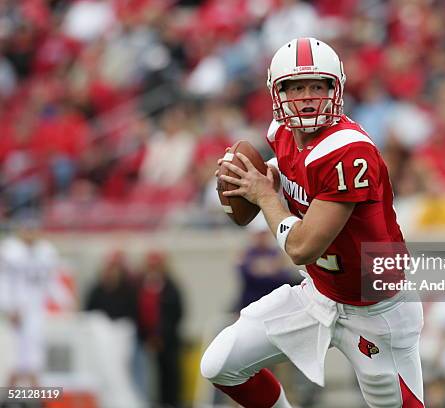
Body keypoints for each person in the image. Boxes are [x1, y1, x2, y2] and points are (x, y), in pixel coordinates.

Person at [201, 37, 424, 408]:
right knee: (221, 365)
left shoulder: (351, 152)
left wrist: (266, 197)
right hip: (319, 293)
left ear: (335, 89)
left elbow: (304, 246)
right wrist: (266, 176)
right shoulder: (282, 133)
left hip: (376, 312)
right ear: (277, 93)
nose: (306, 97)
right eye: (296, 87)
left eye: (317, 86)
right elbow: (294, 174)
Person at [0, 221, 60, 387]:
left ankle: (33, 401)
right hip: (17, 311)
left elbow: (51, 281)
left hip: (36, 311)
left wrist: (66, 301)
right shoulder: (10, 251)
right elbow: (3, 282)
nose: (30, 233)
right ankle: (11, 401)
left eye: (33, 229)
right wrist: (9, 308)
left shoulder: (46, 251)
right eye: (27, 229)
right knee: (15, 361)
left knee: (34, 361)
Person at [137, 250, 184, 408]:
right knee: (148, 375)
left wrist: (162, 336)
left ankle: (171, 402)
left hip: (168, 340)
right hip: (147, 339)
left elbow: (177, 313)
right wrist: (148, 336)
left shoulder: (171, 286)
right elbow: (140, 312)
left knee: (170, 373)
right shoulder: (142, 285)